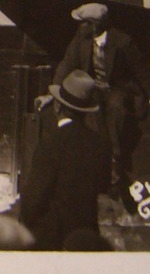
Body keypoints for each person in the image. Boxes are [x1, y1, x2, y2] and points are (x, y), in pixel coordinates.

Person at [48, 2, 150, 186]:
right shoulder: (81, 39)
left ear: (94, 25)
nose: (79, 27)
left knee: (116, 106)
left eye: (82, 23)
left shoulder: (122, 42)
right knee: (88, 108)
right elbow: (66, 64)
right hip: (94, 88)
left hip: (119, 90)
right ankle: (93, 156)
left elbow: (143, 73)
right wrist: (53, 91)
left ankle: (115, 157)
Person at [18, 70, 112, 250]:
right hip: (86, 237)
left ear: (58, 107)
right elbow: (103, 186)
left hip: (53, 239)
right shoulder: (100, 145)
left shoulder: (50, 144)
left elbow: (33, 200)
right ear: (85, 112)